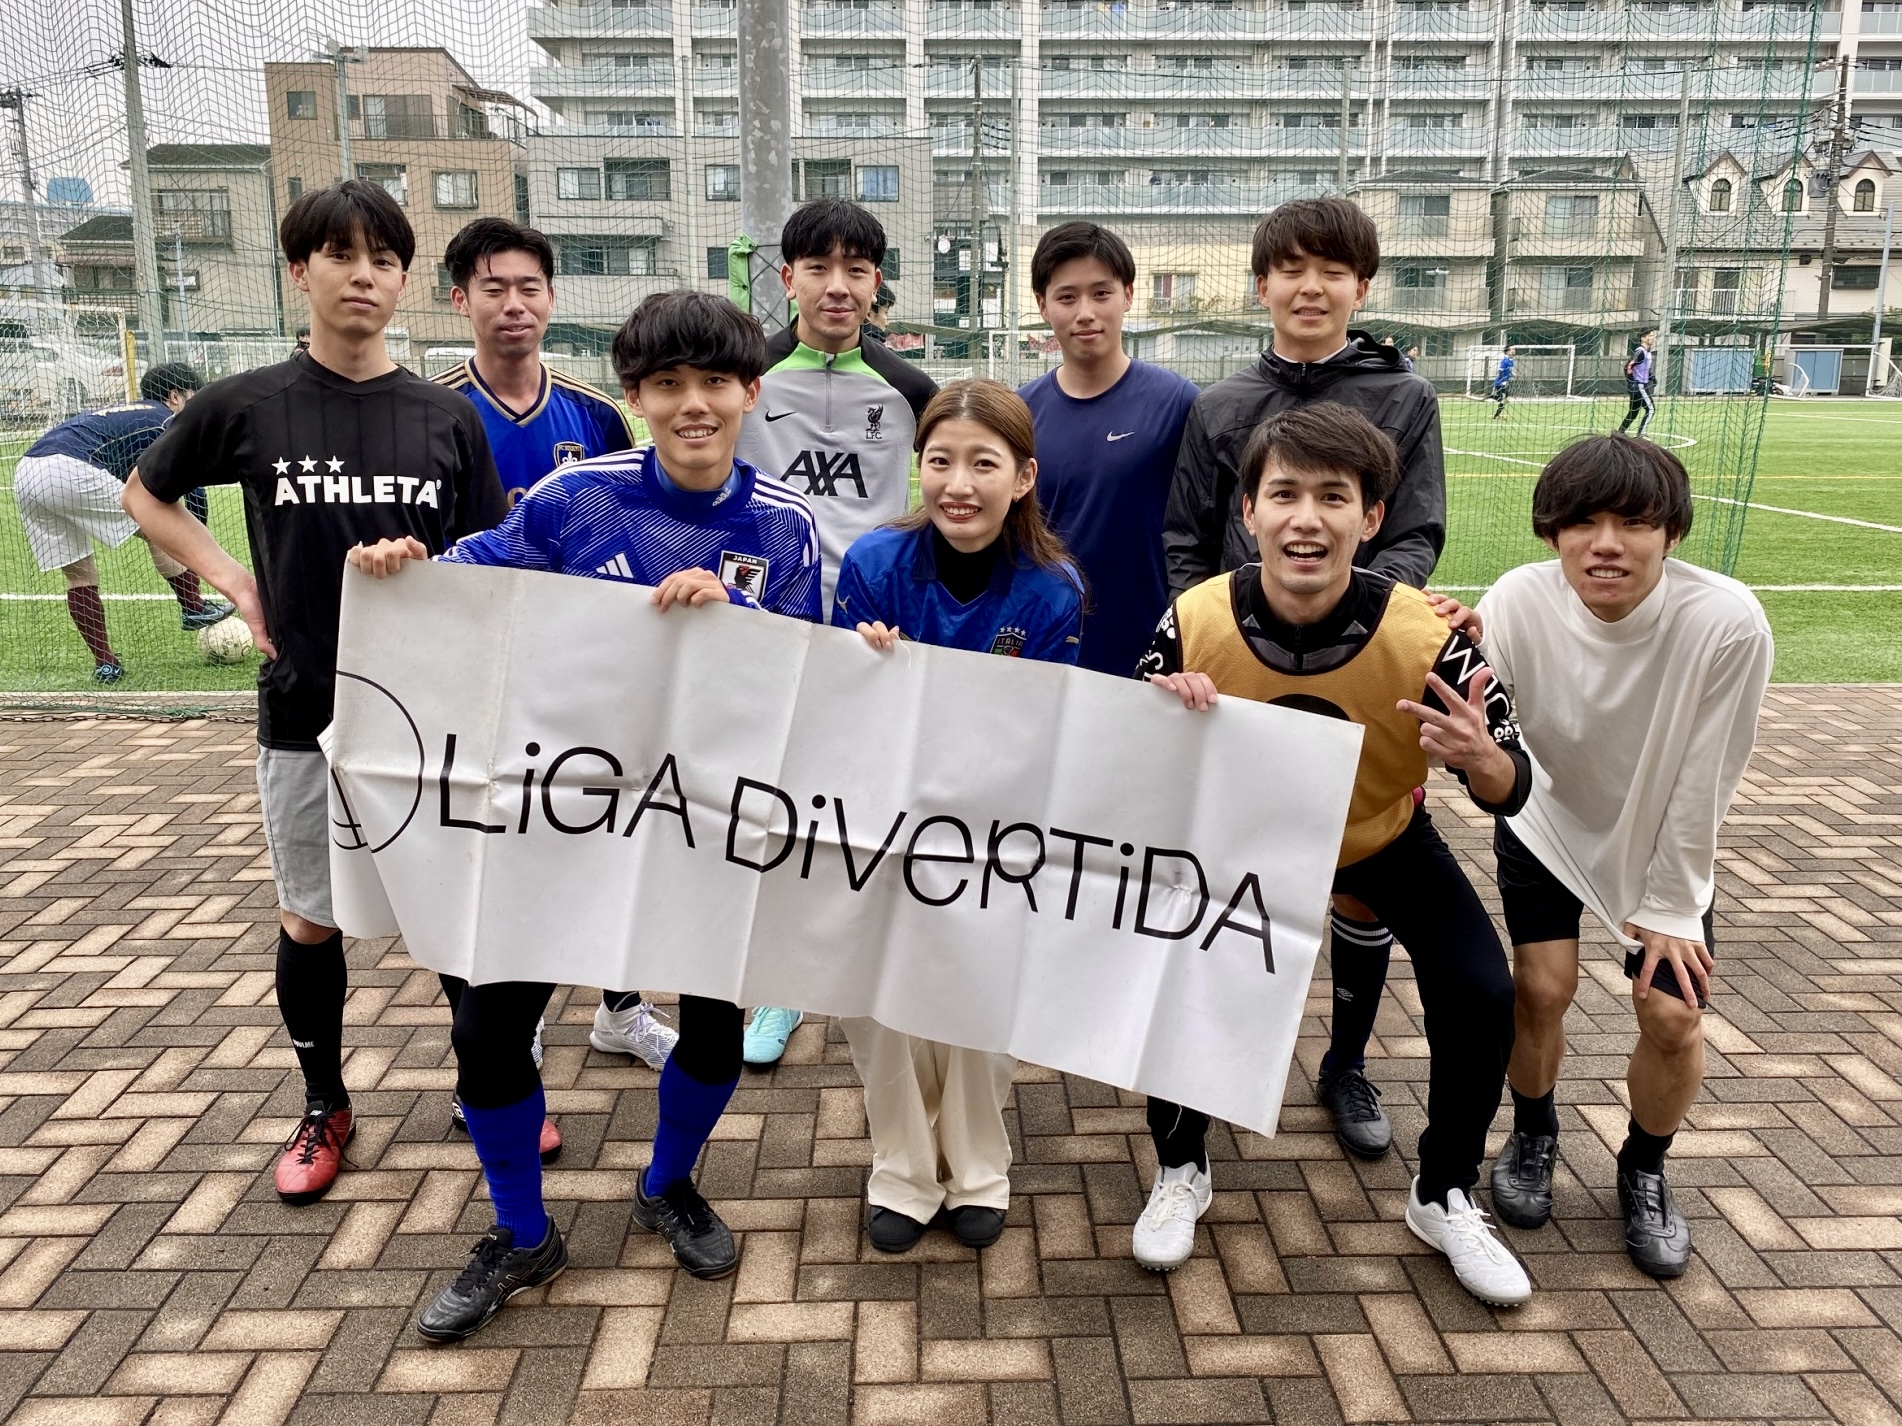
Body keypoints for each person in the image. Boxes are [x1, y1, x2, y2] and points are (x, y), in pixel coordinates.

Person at [348, 288, 821, 1338]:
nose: (692, 404)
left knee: (714, 1026)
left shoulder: (785, 525)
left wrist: (739, 621)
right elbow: (468, 586)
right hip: (560, 815)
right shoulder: (577, 499)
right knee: (486, 1027)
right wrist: (403, 570)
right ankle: (522, 1233)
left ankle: (667, 1184)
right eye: (667, 384)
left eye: (714, 382)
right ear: (634, 396)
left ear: (751, 393)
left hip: (700, 820)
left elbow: (810, 677)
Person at [122, 180, 508, 1207]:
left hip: (430, 714)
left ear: (404, 278)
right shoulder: (250, 404)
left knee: (454, 915)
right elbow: (146, 493)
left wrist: (426, 571)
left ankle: (487, 1087)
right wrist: (233, 580)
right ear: (300, 271)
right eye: (340, 255)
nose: (363, 275)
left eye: (383, 258)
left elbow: (488, 559)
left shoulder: (446, 416)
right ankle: (324, 1103)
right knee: (310, 918)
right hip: (306, 706)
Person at [1135, 402, 1532, 1308]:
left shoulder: (1427, 635)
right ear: (1249, 512)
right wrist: (1160, 715)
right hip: (1239, 842)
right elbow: (1131, 755)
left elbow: (1513, 789)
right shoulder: (1194, 618)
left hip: (1374, 833)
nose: (1306, 518)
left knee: (1482, 990)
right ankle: (1182, 1165)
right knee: (1172, 968)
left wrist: (1482, 759)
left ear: (1372, 517)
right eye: (1284, 494)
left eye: (1333, 497)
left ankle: (1444, 1191)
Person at [1159, 196, 1448, 1162]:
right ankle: (1205, 1083)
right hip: (1237, 680)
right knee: (1225, 880)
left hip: (1356, 675)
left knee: (1358, 874)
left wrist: (1354, 626)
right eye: (1292, 269)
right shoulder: (1221, 404)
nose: (1310, 287)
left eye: (1333, 270)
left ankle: (1346, 1064)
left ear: (1362, 287)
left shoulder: (1403, 397)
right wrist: (1215, 637)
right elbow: (1188, 539)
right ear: (1263, 286)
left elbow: (1415, 532)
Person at [1474, 435, 1771, 1279]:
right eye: (1584, 522)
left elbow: (1708, 777)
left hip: (1657, 837)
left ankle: (1644, 1169)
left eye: (1635, 523)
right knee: (1541, 989)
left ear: (1671, 534)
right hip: (1546, 820)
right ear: (1552, 532)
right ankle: (1534, 1135)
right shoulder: (1517, 600)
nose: (1607, 544)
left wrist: (1672, 907)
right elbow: (1485, 732)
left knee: (1672, 1016)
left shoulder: (1726, 622)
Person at [433, 217, 680, 1103]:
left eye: (529, 287)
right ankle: (514, 1018)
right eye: (493, 288)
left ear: (551, 297)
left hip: (585, 665)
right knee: (497, 840)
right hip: (478, 663)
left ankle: (620, 1007)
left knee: (612, 831)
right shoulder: (435, 408)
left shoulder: (595, 414)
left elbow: (630, 526)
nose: (514, 304)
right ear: (459, 300)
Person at [833, 379, 1082, 1254]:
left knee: (978, 995)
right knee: (881, 1000)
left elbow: (1044, 727)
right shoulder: (873, 565)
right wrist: (865, 667)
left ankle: (978, 1169)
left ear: (1023, 477)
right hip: (883, 821)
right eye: (940, 461)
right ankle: (902, 1170)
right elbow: (836, 707)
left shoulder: (1051, 590)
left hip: (990, 828)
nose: (959, 484)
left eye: (984, 463)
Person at [734, 197, 937, 1068]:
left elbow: (952, 496)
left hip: (872, 632)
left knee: (862, 804)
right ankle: (778, 985)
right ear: (788, 278)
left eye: (856, 269)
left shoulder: (911, 390)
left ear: (876, 280)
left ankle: (875, 968)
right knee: (773, 805)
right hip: (768, 623)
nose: (837, 286)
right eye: (818, 268)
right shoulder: (745, 375)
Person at [1018, 222, 1197, 678]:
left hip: (1151, 652)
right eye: (1067, 297)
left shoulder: (1178, 403)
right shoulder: (1019, 412)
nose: (1085, 313)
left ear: (1128, 295)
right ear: (1042, 305)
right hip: (1044, 644)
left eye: (1101, 294)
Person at [14, 363, 234, 682]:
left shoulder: (131, 412)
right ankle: (193, 606)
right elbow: (194, 489)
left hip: (28, 472)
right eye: (194, 396)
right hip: (70, 468)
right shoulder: (168, 419)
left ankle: (106, 663)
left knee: (79, 574)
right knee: (159, 527)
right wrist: (192, 534)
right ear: (175, 396)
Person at [1619, 330, 1657, 437]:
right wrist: (1631, 381)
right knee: (1651, 409)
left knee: (1633, 412)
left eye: (1653, 336)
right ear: (1643, 338)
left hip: (1640, 385)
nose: (1653, 338)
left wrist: (1651, 376)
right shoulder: (1640, 352)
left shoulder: (1647, 352)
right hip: (1639, 386)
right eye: (1650, 336)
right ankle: (1641, 435)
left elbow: (1642, 368)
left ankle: (1619, 433)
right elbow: (1628, 366)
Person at [1491, 346, 1515, 420]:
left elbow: (1508, 371)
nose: (1514, 351)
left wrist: (1513, 374)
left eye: (1514, 349)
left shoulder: (1511, 361)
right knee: (1505, 399)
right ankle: (1490, 396)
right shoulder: (1505, 361)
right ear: (1507, 351)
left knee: (1504, 399)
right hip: (1500, 383)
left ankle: (1496, 415)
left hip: (1504, 382)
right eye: (1512, 349)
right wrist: (1503, 381)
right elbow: (1500, 371)